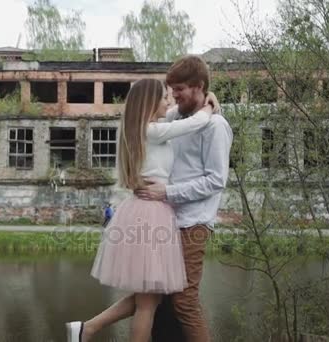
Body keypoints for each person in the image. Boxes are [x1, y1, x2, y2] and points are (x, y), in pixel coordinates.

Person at [65, 78, 219, 342]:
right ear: (150, 103)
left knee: (149, 297)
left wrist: (201, 100)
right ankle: (86, 329)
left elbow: (173, 116)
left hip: (144, 211)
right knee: (148, 304)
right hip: (152, 214)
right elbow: (192, 122)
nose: (169, 102)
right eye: (164, 97)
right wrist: (209, 107)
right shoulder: (152, 131)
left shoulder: (141, 128)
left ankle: (86, 329)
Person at [137, 55, 233, 342]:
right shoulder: (174, 117)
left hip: (193, 223)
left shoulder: (216, 127)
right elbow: (144, 121)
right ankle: (88, 328)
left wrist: (167, 192)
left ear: (198, 86)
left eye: (179, 89)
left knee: (184, 300)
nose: (173, 96)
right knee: (153, 296)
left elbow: (217, 181)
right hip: (166, 220)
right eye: (171, 90)